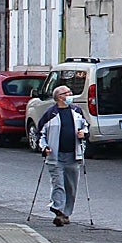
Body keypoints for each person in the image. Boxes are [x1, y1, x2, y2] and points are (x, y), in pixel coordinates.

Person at [38, 85, 88, 226]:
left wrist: (83, 133)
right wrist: (44, 147)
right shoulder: (50, 114)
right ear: (60, 97)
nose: (71, 95)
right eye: (68, 93)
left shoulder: (76, 111)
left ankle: (66, 213)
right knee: (58, 184)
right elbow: (40, 133)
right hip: (55, 156)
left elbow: (85, 126)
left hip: (73, 154)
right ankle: (58, 211)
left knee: (71, 186)